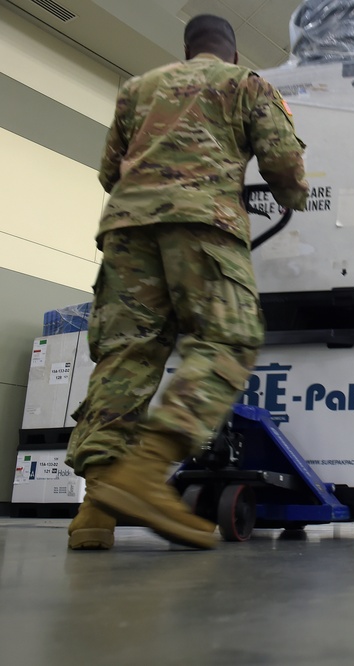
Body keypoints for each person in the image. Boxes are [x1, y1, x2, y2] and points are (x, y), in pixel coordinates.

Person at [64, 14, 309, 550]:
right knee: (230, 337)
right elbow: (284, 165)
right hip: (203, 225)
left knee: (127, 356)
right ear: (233, 53)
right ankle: (146, 472)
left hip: (127, 231)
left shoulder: (137, 88)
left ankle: (96, 511)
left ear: (186, 48)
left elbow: (110, 172)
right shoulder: (245, 84)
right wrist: (294, 194)